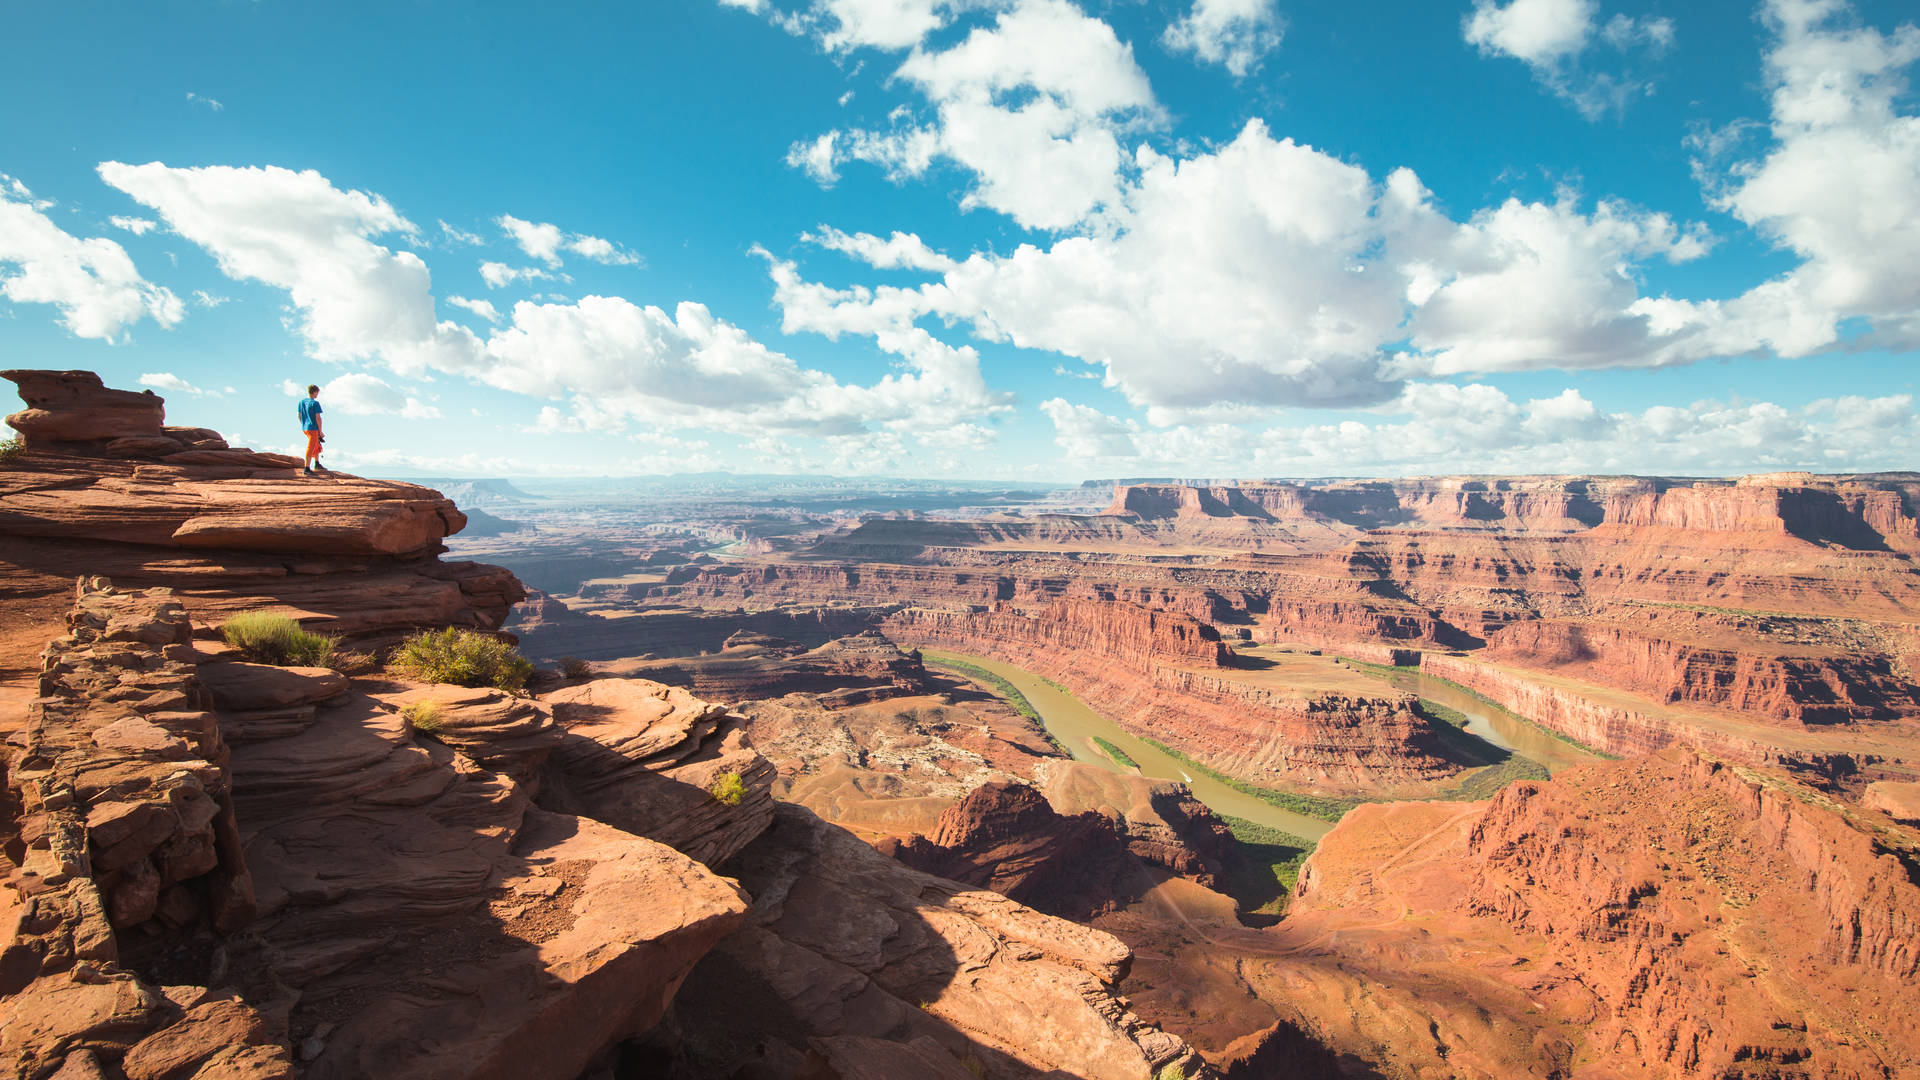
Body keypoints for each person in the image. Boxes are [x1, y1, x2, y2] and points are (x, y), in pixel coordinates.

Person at [298, 384, 326, 475]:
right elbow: (318, 418)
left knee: (316, 444)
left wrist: (304, 424)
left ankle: (317, 463)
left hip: (305, 428)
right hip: (313, 428)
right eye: (317, 393)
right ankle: (306, 468)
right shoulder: (315, 403)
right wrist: (320, 431)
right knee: (311, 447)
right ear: (314, 392)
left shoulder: (301, 402)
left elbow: (299, 415)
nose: (317, 395)